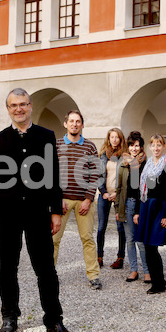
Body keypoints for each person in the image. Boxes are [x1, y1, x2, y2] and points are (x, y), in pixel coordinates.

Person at [0, 88, 71, 332]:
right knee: (6, 270)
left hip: (37, 214)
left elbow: (53, 176)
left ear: (31, 106)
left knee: (46, 270)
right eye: (13, 105)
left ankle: (54, 320)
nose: (18, 109)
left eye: (23, 104)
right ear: (8, 109)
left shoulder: (46, 136)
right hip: (7, 214)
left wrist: (55, 211)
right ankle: (9, 316)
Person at [53, 110, 102, 290]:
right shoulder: (56, 144)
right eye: (71, 121)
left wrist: (89, 199)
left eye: (78, 121)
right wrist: (57, 198)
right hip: (61, 200)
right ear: (65, 124)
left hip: (83, 201)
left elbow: (95, 174)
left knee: (88, 239)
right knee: (53, 239)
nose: (74, 124)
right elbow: (50, 174)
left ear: (82, 125)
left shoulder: (89, 146)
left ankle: (93, 275)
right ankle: (49, 275)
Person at [134, 134, 166, 294]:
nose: (156, 148)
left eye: (159, 145)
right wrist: (137, 212)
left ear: (164, 146)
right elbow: (141, 190)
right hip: (146, 207)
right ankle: (156, 282)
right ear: (150, 147)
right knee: (146, 245)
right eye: (153, 145)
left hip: (159, 208)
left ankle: (159, 283)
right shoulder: (147, 165)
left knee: (152, 246)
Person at [114, 131, 150, 283]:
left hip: (140, 204)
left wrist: (139, 211)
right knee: (129, 240)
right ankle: (134, 270)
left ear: (141, 147)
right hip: (126, 203)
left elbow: (146, 188)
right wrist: (117, 209)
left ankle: (147, 271)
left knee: (141, 241)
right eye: (131, 145)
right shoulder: (123, 163)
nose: (134, 149)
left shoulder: (146, 164)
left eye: (137, 146)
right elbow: (119, 187)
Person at [96, 128, 127, 269]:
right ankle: (99, 256)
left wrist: (117, 194)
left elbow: (126, 178)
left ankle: (120, 257)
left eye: (117, 137)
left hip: (119, 196)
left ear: (121, 139)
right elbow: (98, 176)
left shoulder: (125, 156)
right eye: (112, 137)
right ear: (108, 139)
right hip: (105, 194)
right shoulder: (103, 155)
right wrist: (103, 192)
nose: (114, 139)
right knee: (101, 227)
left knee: (120, 227)